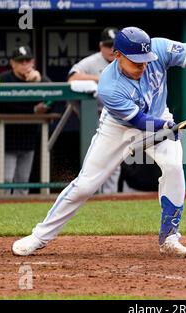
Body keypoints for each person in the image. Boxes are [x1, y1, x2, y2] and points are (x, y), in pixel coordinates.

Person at [11, 26, 186, 257]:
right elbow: (139, 121)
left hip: (160, 116)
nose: (143, 66)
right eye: (136, 62)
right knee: (86, 185)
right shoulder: (108, 86)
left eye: (145, 61)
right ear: (118, 55)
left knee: (173, 167)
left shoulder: (159, 48)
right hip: (119, 127)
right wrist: (166, 128)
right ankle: (40, 236)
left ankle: (170, 237)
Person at [68, 27, 121, 194]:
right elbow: (72, 78)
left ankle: (109, 198)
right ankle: (91, 196)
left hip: (119, 116)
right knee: (95, 161)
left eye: (114, 45)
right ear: (100, 46)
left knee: (115, 161)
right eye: (107, 45)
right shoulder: (92, 61)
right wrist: (99, 79)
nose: (111, 49)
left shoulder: (127, 60)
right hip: (95, 116)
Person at [0, 46, 51, 195]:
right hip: (7, 138)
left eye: (27, 61)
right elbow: (5, 105)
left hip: (29, 137)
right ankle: (2, 213)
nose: (25, 64)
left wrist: (40, 82)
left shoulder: (40, 79)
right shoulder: (3, 79)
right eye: (21, 61)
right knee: (6, 181)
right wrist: (33, 110)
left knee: (23, 181)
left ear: (32, 62)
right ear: (12, 63)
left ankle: (18, 215)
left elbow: (55, 97)